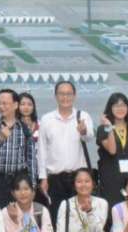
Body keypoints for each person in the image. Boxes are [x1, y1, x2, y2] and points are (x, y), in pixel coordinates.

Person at [39, 81, 94, 220]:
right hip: (54, 178)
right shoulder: (46, 119)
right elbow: (42, 150)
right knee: (57, 216)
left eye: (69, 94)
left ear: (74, 96)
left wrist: (83, 131)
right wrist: (43, 178)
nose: (65, 97)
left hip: (78, 179)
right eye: (61, 94)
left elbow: (89, 137)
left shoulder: (83, 116)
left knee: (79, 217)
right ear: (55, 96)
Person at [0, 88, 35, 208]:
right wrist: (0, 138)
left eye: (5, 103)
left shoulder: (24, 128)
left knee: (18, 214)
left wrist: (32, 184)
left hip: (19, 181)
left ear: (15, 105)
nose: (1, 107)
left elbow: (31, 158)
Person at [96, 92, 128, 210]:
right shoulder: (102, 129)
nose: (120, 109)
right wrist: (110, 128)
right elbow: (112, 150)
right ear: (110, 108)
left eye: (123, 105)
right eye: (116, 106)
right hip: (111, 176)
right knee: (113, 208)